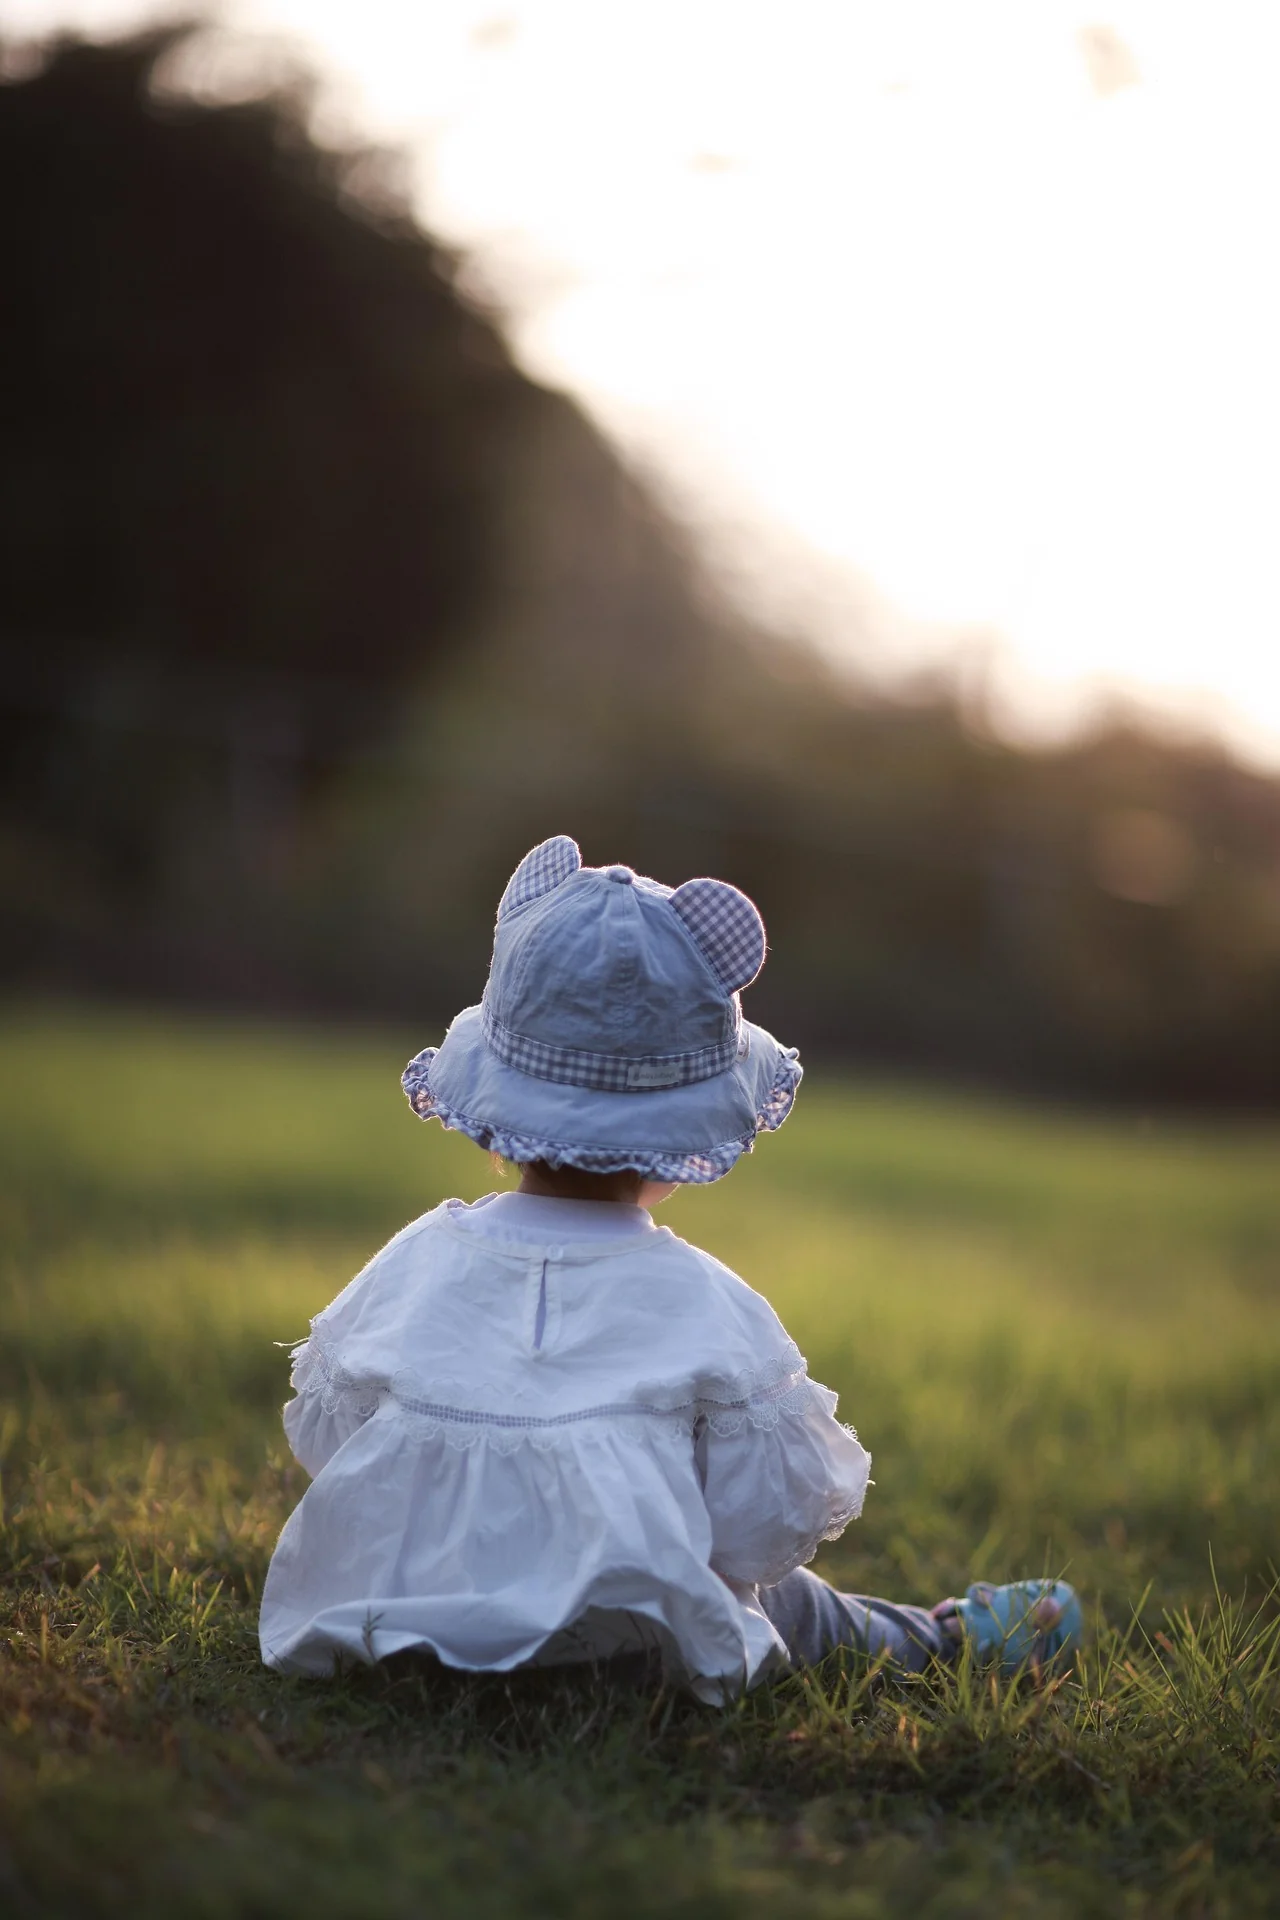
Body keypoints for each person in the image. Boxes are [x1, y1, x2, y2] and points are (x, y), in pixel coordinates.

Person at [259, 837, 1079, 1699]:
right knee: (790, 1603)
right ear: (681, 1143)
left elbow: (330, 1432)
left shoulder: (418, 1260)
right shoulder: (701, 1302)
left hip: (398, 1622)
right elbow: (765, 1520)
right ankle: (935, 1642)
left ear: (494, 1108)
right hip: (627, 1652)